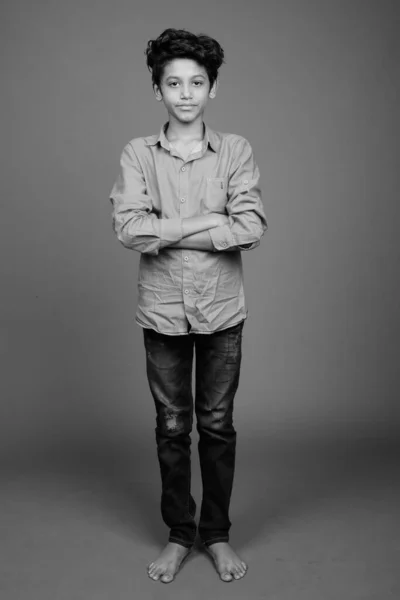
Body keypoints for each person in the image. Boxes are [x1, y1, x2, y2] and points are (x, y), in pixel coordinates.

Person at [109, 27, 267, 584]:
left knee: (217, 425)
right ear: (158, 91)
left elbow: (250, 226)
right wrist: (205, 220)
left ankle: (217, 535)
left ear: (212, 89)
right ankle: (180, 534)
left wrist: (166, 230)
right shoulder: (137, 153)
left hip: (222, 310)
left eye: (197, 82)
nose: (185, 93)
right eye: (173, 83)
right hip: (162, 311)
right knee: (172, 426)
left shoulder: (237, 150)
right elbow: (129, 228)